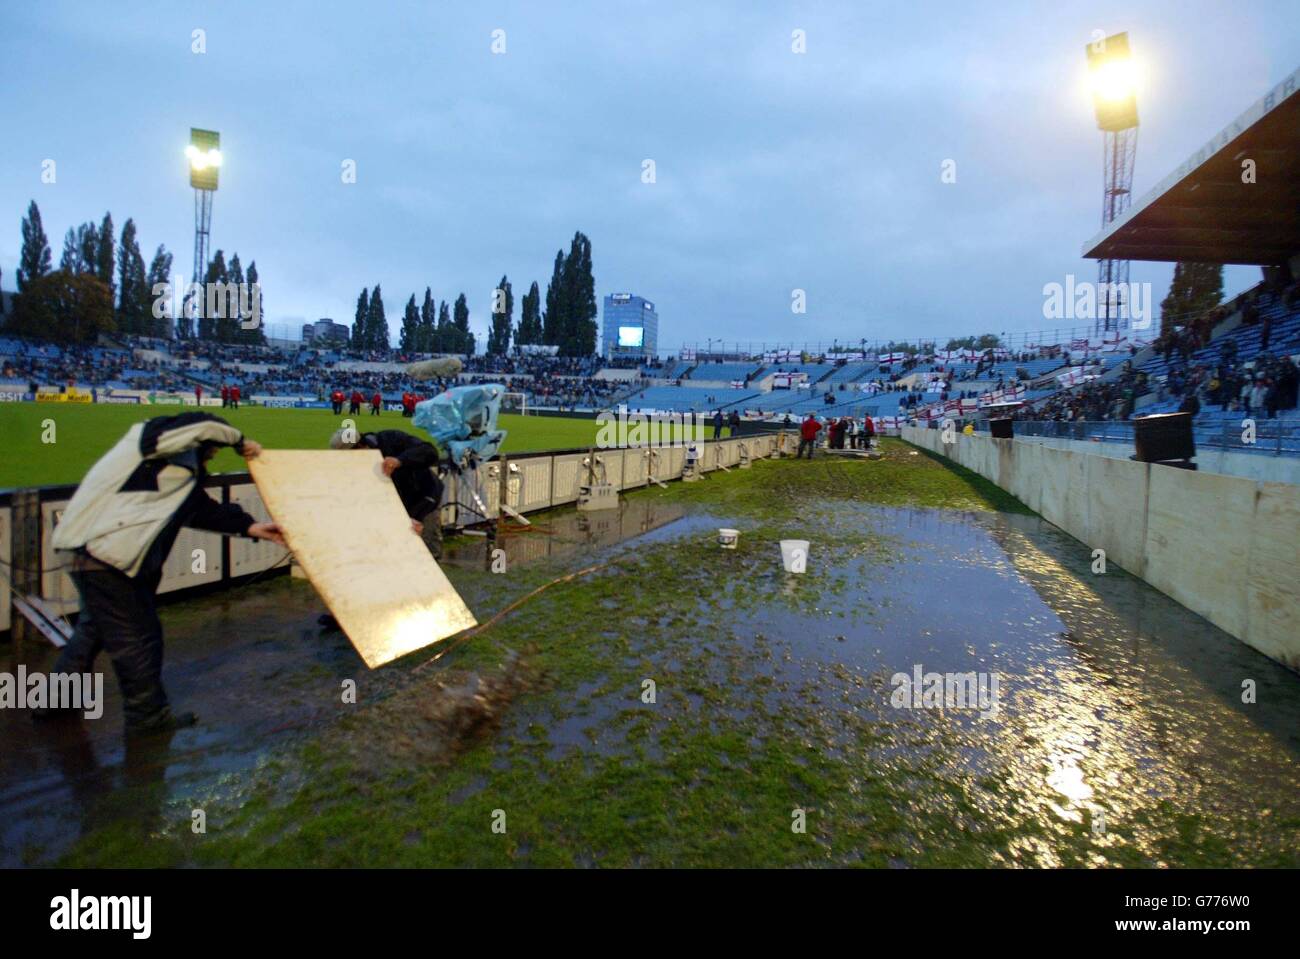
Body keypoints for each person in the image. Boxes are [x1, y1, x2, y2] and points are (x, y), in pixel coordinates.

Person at [39, 414, 284, 733]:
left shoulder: (178, 471)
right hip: (102, 554)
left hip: (92, 552)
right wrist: (239, 441)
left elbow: (201, 510)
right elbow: (204, 422)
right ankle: (147, 718)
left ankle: (56, 703)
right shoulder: (148, 440)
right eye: (212, 449)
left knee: (94, 629)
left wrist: (251, 527)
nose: (213, 454)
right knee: (139, 636)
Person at [329, 428, 444, 557]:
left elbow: (430, 452)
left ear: (360, 446)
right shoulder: (355, 465)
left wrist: (400, 461)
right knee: (397, 553)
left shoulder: (391, 439)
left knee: (427, 553)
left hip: (425, 497)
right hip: (395, 507)